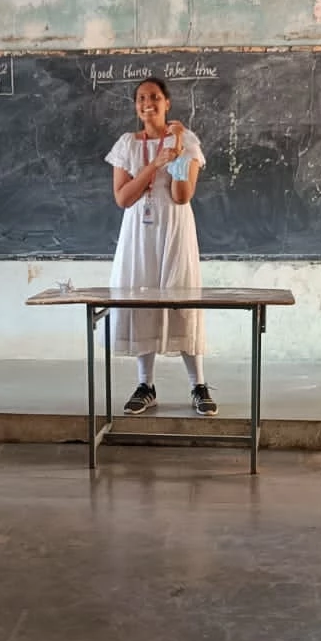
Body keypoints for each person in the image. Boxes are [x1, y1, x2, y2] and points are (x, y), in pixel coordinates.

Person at [106, 77, 217, 417]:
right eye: (141, 98)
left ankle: (198, 385)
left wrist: (177, 146)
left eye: (154, 97)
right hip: (138, 233)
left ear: (167, 103)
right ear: (135, 106)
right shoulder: (127, 144)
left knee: (181, 298)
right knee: (141, 299)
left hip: (174, 229)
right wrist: (154, 165)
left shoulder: (187, 141)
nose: (147, 103)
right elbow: (123, 198)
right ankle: (146, 385)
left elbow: (182, 196)